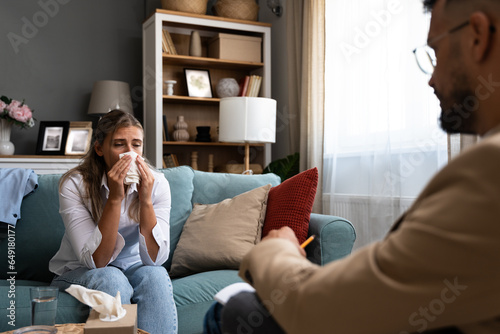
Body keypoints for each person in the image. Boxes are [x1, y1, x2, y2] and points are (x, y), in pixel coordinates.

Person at [204, 0, 500, 333]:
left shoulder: (489, 169)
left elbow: (323, 310)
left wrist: (275, 249)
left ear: (477, 36)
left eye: (436, 52)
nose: (431, 79)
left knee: (230, 308)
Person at [49, 110, 177, 334]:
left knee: (155, 275)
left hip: (133, 265)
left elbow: (155, 259)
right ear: (99, 148)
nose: (130, 153)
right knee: (110, 276)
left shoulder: (158, 183)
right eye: (119, 144)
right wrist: (116, 198)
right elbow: (96, 262)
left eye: (136, 145)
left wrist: (145, 200)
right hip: (80, 270)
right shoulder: (75, 184)